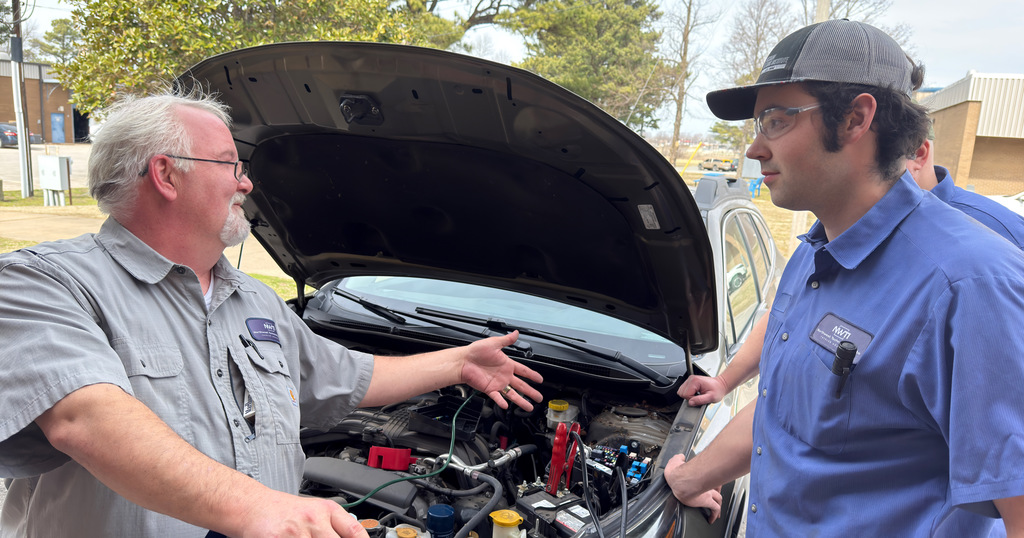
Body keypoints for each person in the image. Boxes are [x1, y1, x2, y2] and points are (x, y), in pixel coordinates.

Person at [0, 90, 544, 537]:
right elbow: (85, 417)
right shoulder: (44, 282)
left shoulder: (253, 300)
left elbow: (348, 375)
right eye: (230, 164)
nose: (247, 183)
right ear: (166, 175)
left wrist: (459, 363)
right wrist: (258, 507)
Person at [664, 19, 1024, 536]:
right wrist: (688, 479)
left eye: (775, 120)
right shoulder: (811, 255)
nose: (754, 148)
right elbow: (783, 422)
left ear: (855, 119)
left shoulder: (971, 286)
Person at [680, 134, 1024, 410]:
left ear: (918, 154)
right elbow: (785, 316)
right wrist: (724, 383)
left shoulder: (988, 252)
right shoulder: (832, 232)